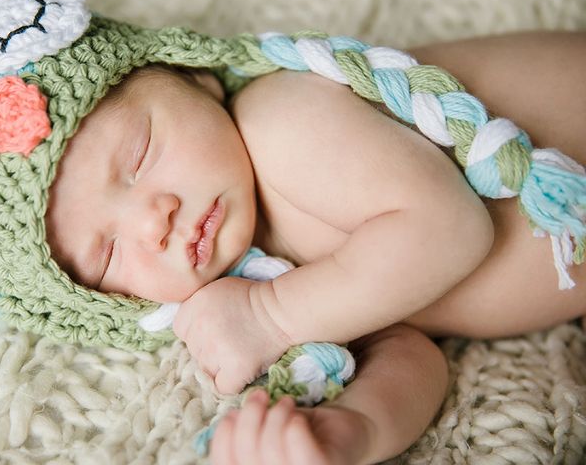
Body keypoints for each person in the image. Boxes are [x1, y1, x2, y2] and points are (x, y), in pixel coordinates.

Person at [44, 30, 586, 464]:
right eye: (108, 254)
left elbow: (450, 228)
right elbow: (412, 353)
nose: (151, 222)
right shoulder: (258, 278)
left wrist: (271, 316)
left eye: (140, 154)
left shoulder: (279, 118)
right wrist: (352, 427)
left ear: (194, 76)